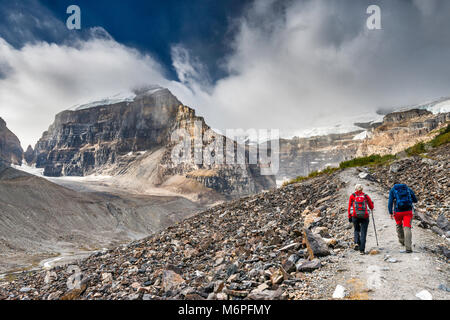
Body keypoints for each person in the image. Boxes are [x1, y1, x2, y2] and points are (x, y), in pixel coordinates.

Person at [388, 183, 418, 253]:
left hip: (397, 212)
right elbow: (415, 200)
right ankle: (408, 248)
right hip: (408, 211)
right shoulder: (407, 189)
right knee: (407, 227)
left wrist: (390, 212)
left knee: (399, 225)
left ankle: (402, 241)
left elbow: (390, 202)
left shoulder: (393, 190)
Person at [348, 184, 374, 255]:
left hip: (355, 215)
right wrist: (372, 205)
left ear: (355, 189)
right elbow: (371, 207)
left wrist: (349, 216)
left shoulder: (352, 196)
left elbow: (349, 207)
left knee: (356, 229)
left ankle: (356, 242)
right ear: (362, 189)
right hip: (365, 216)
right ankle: (362, 250)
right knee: (363, 232)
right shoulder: (365, 196)